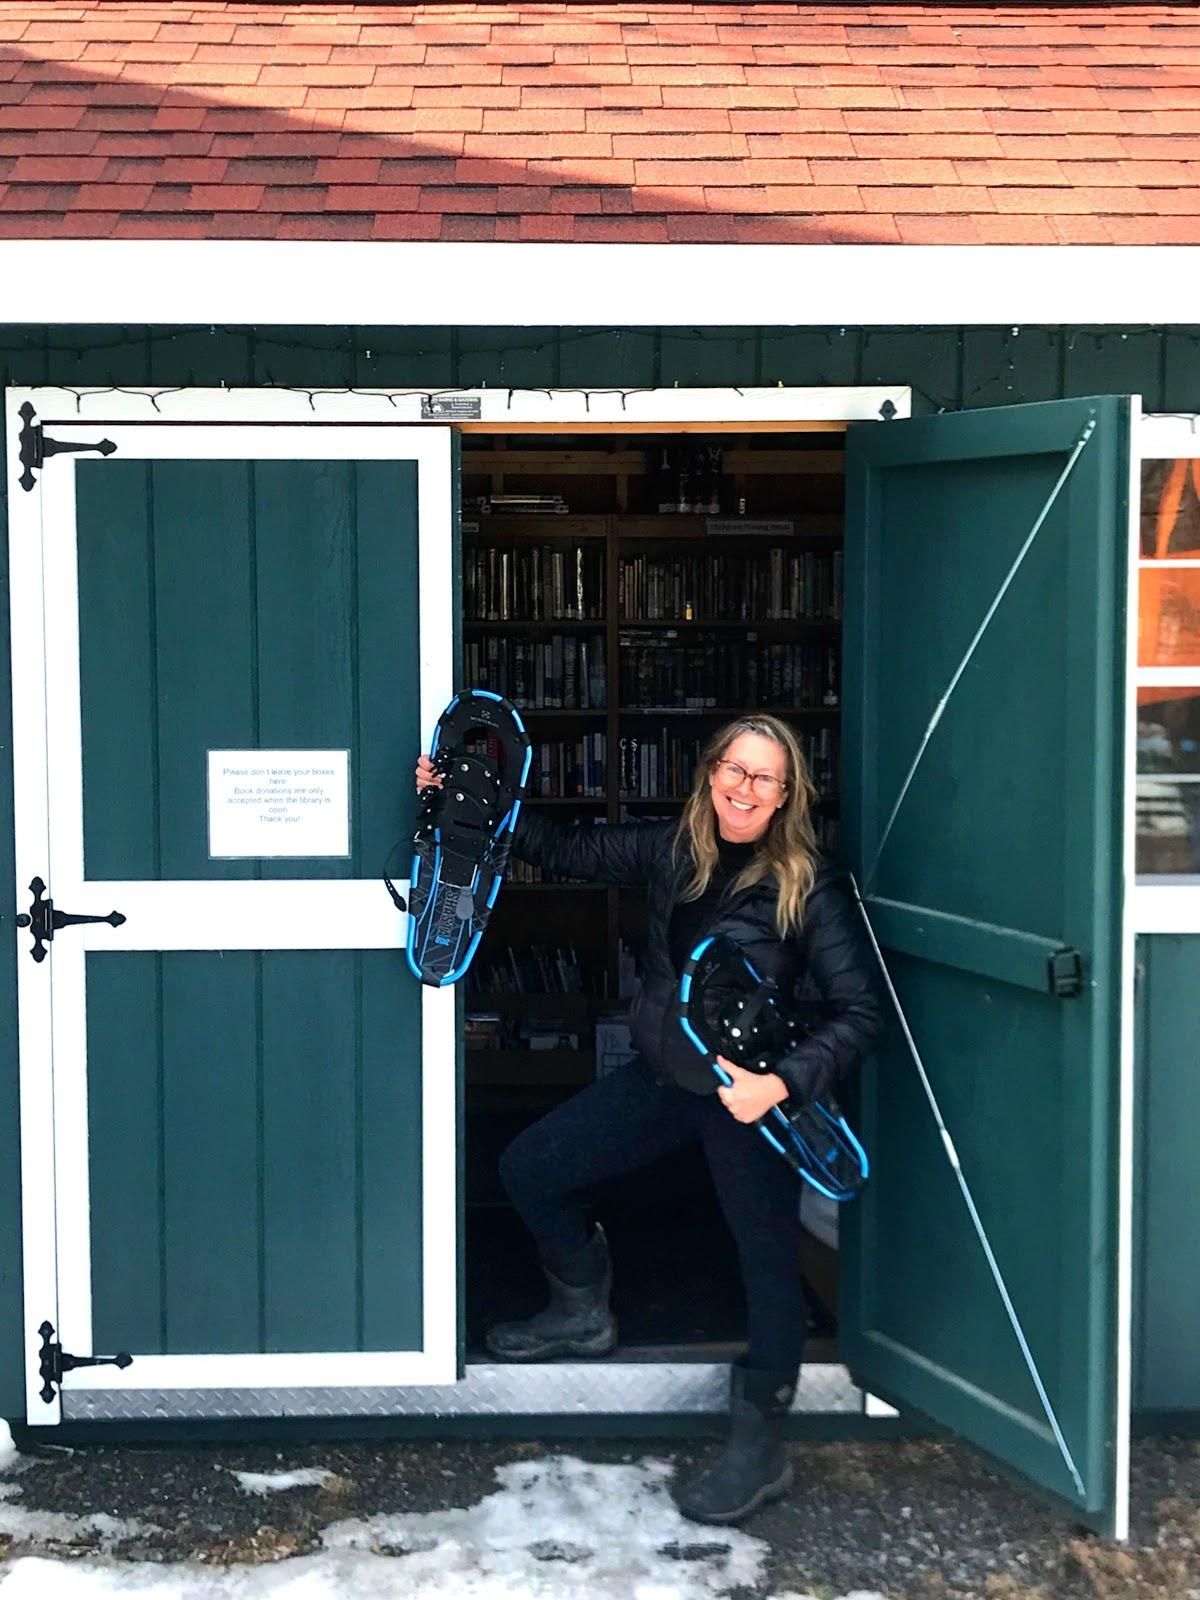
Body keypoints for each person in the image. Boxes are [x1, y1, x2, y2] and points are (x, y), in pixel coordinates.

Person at [413, 713, 884, 1526]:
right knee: (530, 1168)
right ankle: (580, 1311)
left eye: (763, 778)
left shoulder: (814, 884)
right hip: (668, 1079)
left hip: (748, 1097)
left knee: (766, 1267)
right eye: (733, 770)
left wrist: (778, 1088)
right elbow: (566, 851)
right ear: (710, 773)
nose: (743, 788)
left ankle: (761, 1448)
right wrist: (468, 797)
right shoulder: (674, 849)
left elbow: (861, 1012)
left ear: (785, 795)